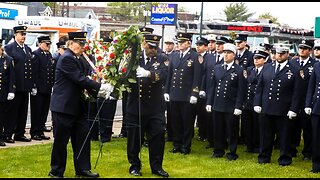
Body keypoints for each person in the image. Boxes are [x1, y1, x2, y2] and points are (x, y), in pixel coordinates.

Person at [48, 31, 114, 178]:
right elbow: (79, 79)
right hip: (64, 107)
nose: (82, 46)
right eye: (80, 43)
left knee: (82, 139)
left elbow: (87, 76)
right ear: (70, 43)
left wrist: (99, 90)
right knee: (61, 141)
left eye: (83, 44)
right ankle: (56, 171)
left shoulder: (79, 58)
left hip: (78, 106)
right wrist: (100, 87)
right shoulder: (67, 58)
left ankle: (83, 169)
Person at [126, 34, 169, 177]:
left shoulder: (162, 57)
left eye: (155, 47)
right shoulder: (134, 57)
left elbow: (164, 74)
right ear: (144, 44)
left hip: (155, 105)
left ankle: (156, 166)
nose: (152, 50)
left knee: (157, 137)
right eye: (150, 46)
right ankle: (134, 165)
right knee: (134, 138)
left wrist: (149, 73)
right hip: (136, 104)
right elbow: (124, 74)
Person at [253, 46, 303, 166]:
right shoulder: (267, 67)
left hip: (284, 109)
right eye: (277, 53)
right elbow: (260, 87)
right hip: (267, 106)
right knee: (266, 135)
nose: (279, 55)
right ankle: (264, 157)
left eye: (282, 53)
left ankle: (284, 158)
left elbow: (297, 92)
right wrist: (257, 103)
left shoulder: (295, 69)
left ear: (287, 54)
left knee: (285, 136)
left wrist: (293, 108)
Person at [205, 43, 246, 160]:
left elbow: (241, 90)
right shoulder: (217, 68)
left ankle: (232, 152)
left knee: (232, 130)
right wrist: (209, 102)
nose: (226, 55)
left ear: (234, 55)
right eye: (225, 52)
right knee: (218, 129)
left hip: (231, 105)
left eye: (228, 53)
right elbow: (212, 86)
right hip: (218, 103)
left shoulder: (239, 70)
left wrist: (238, 106)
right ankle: (218, 150)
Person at [164, 32, 202, 155]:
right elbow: (170, 75)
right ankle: (177, 144)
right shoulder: (174, 56)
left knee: (187, 122)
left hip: (187, 95)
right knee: (175, 121)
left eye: (182, 42)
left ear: (189, 43)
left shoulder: (195, 56)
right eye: (179, 42)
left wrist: (194, 94)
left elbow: (197, 77)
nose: (180, 44)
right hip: (175, 94)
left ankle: (186, 146)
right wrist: (167, 91)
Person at [4, 25, 35, 143]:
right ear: (15, 35)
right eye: (21, 34)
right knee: (12, 112)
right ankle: (8, 133)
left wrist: (31, 85)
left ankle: (19, 133)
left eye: (25, 34)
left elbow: (30, 68)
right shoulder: (10, 48)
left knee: (23, 111)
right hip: (15, 86)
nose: (23, 37)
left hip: (25, 86)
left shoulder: (27, 49)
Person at [289, 39, 316, 160]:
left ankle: (307, 152)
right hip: (294, 99)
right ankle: (292, 149)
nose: (302, 50)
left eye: (305, 48)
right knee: (293, 126)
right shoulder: (292, 63)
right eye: (300, 48)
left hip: (307, 100)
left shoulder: (314, 64)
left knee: (307, 128)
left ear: (310, 51)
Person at [242, 49, 268, 153]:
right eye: (255, 58)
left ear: (265, 60)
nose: (256, 60)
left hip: (259, 102)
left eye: (259, 58)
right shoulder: (250, 69)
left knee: (258, 125)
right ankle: (249, 145)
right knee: (247, 125)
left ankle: (257, 145)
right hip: (248, 101)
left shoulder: (267, 70)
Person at [30, 35, 55, 141]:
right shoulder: (36, 55)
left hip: (47, 88)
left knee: (44, 111)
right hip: (39, 89)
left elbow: (50, 71)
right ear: (40, 44)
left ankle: (40, 130)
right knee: (37, 111)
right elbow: (34, 72)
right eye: (46, 44)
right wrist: (34, 86)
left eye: (49, 44)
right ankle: (34, 131)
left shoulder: (49, 55)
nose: (48, 46)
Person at [235, 33, 254, 145]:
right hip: (234, 85)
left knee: (245, 114)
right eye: (236, 42)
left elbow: (251, 71)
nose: (237, 44)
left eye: (240, 42)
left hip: (246, 85)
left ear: (245, 43)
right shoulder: (234, 55)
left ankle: (245, 137)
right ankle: (235, 136)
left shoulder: (250, 55)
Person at [305, 40, 320, 173]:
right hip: (317, 106)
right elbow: (312, 86)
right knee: (316, 136)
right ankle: (316, 165)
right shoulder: (317, 66)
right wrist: (308, 103)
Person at [195, 37, 213, 142]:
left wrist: (203, 88)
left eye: (200, 45)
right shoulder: (194, 56)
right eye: (197, 45)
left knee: (204, 113)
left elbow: (205, 74)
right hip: (194, 88)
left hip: (204, 88)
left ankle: (204, 133)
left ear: (206, 47)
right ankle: (200, 133)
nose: (198, 47)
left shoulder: (209, 57)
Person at [0, 41, 15, 146]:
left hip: (2, 93)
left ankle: (1, 137)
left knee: (1, 117)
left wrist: (11, 91)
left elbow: (11, 78)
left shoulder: (8, 60)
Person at [162, 36, 177, 142]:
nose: (168, 46)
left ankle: (171, 133)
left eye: (170, 44)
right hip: (161, 87)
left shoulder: (175, 56)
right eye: (166, 44)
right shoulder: (161, 55)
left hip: (170, 87)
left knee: (171, 113)